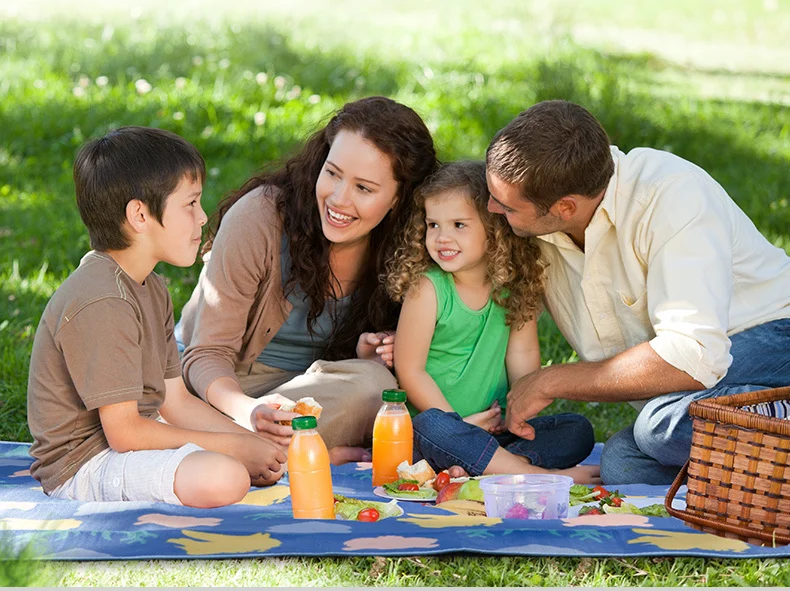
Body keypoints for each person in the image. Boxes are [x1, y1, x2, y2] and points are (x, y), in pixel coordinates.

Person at [485, 99, 790, 485]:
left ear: (565, 207)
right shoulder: (542, 220)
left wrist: (551, 380)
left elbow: (693, 355)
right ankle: (764, 467)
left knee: (659, 427)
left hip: (775, 338)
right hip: (696, 387)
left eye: (507, 206)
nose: (492, 208)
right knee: (624, 465)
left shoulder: (672, 195)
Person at [27, 127, 287, 507]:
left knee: (252, 456)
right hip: (84, 464)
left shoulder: (151, 287)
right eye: (190, 204)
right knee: (226, 475)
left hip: (136, 438)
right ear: (140, 215)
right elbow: (125, 434)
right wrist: (233, 448)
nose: (202, 218)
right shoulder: (104, 300)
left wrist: (248, 441)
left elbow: (175, 401)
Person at [176, 97, 438, 464]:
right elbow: (205, 354)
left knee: (376, 387)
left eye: (364, 188)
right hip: (221, 387)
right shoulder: (260, 219)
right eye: (332, 173)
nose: (338, 199)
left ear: (399, 197)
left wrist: (375, 352)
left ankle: (255, 452)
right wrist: (248, 412)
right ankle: (305, 454)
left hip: (309, 395)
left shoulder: (414, 245)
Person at [386, 161, 599, 483]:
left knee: (576, 430)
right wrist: (458, 424)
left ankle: (496, 465)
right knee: (432, 426)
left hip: (494, 431)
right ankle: (537, 476)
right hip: (438, 432)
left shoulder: (514, 286)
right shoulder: (427, 288)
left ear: (494, 228)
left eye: (458, 225)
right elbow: (410, 370)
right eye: (433, 225)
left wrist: (520, 414)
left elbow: (522, 355)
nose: (442, 237)